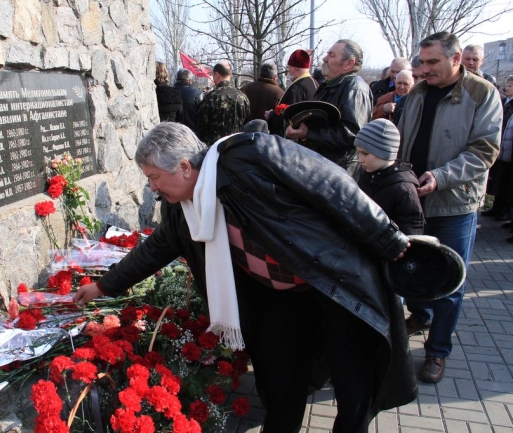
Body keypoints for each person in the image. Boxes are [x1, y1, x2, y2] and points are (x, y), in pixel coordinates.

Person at [75, 122, 417, 433]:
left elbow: (330, 184)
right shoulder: (181, 208)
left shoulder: (248, 156)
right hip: (278, 298)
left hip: (331, 283)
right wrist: (103, 286)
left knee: (352, 379)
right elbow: (157, 248)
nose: (151, 188)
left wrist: (386, 237)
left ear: (184, 167)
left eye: (154, 177)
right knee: (281, 382)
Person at [397, 31, 502, 383]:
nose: (425, 69)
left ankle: (437, 351)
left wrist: (441, 177)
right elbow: (402, 141)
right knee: (411, 268)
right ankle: (420, 315)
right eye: (422, 62)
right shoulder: (417, 93)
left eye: (433, 62)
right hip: (415, 201)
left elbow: (484, 151)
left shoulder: (482, 93)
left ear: (456, 59)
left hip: (454, 205)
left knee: (450, 281)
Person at [285, 39, 372, 177]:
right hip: (324, 168)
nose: (325, 59)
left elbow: (352, 135)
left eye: (331, 55)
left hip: (339, 173)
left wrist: (308, 133)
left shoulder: (354, 88)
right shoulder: (331, 85)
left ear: (349, 63)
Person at [356, 119, 425, 236]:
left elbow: (411, 229)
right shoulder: (366, 176)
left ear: (384, 152)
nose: (359, 159)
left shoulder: (404, 188)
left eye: (365, 153)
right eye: (358, 153)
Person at [264, 49, 318, 136]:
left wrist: (271, 115)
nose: (288, 70)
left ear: (295, 68)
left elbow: (289, 118)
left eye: (289, 67)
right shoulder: (314, 83)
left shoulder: (297, 88)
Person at [196, 60, 250, 145]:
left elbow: (201, 126)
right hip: (236, 145)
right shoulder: (242, 97)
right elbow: (247, 123)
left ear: (216, 75)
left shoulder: (210, 97)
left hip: (214, 147)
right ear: (230, 75)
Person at [483, 75, 513, 223]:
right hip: (503, 151)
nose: (506, 87)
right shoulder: (506, 103)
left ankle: (505, 211)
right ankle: (497, 208)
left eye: (510, 85)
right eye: (507, 84)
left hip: (508, 152)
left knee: (508, 186)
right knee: (501, 183)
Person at [392, 55, 424, 126]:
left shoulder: (441, 102)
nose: (419, 82)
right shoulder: (403, 102)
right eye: (415, 77)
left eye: (423, 77)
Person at [173, 68, 203, 133]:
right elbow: (202, 116)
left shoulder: (169, 92)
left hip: (173, 132)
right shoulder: (197, 93)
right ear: (189, 81)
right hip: (192, 132)